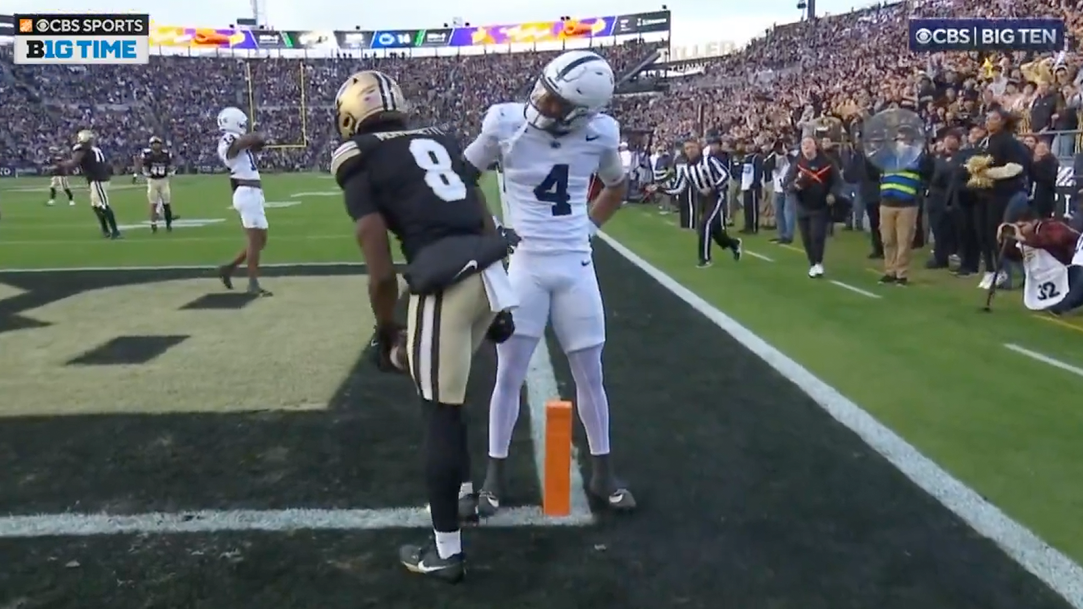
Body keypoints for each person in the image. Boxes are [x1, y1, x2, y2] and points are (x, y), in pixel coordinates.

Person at [331, 70, 517, 582]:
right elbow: (478, 206)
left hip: (444, 277)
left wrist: (386, 325)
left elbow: (373, 244)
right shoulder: (440, 137)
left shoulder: (355, 154)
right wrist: (498, 302)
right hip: (487, 266)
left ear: (350, 114)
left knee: (436, 409)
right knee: (450, 397)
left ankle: (446, 552)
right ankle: (462, 494)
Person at [462, 50, 637, 521]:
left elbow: (617, 186)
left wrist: (590, 229)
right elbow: (463, 175)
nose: (544, 103)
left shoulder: (601, 132)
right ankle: (494, 477)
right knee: (508, 374)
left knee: (590, 376)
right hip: (524, 263)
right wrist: (489, 229)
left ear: (583, 112)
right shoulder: (504, 123)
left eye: (558, 102)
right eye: (546, 90)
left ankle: (604, 474)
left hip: (576, 264)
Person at [649, 138, 742, 267]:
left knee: (704, 224)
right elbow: (678, 189)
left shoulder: (709, 161)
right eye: (687, 148)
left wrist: (713, 187)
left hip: (716, 195)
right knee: (715, 232)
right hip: (702, 199)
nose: (690, 150)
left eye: (692, 147)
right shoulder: (686, 169)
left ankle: (704, 259)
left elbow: (725, 175)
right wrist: (659, 189)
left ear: (698, 148)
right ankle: (733, 244)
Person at [215, 107, 271, 296]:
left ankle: (228, 269)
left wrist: (258, 140)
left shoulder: (235, 139)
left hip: (253, 192)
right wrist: (256, 136)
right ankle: (253, 284)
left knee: (261, 241)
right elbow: (235, 148)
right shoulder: (227, 139)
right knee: (255, 241)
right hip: (246, 192)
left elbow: (254, 145)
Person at [874, 128, 933, 286]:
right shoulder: (888, 157)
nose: (901, 143)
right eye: (898, 139)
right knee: (887, 239)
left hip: (907, 203)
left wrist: (920, 190)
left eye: (904, 139)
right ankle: (889, 271)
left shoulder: (918, 157)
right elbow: (872, 169)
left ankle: (901, 273)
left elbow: (928, 173)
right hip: (887, 201)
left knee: (904, 240)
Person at [1000, 213, 1083, 315]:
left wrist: (1023, 239)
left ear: (1034, 221)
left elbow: (1054, 240)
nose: (1020, 230)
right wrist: (1005, 241)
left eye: (1022, 226)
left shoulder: (1051, 227)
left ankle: (1066, 304)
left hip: (1072, 267)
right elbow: (1015, 256)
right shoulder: (1031, 237)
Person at [785, 137, 840, 278]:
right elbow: (787, 182)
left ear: (816, 145)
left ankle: (818, 262)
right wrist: (795, 186)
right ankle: (812, 263)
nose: (806, 146)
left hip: (820, 206)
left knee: (817, 235)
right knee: (806, 238)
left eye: (809, 143)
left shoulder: (827, 162)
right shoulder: (798, 163)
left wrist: (833, 194)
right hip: (802, 205)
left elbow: (837, 181)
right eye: (803, 144)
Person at [62, 130, 120, 239]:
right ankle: (105, 230)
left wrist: (61, 164)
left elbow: (74, 163)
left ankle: (115, 232)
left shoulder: (82, 150)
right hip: (99, 178)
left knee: (103, 205)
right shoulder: (94, 149)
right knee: (95, 205)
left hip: (98, 179)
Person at [141, 136, 176, 233]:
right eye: (154, 144)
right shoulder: (148, 155)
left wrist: (171, 171)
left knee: (166, 203)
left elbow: (170, 166)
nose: (156, 146)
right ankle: (153, 224)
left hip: (164, 180)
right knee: (153, 204)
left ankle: (168, 224)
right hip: (152, 181)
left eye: (157, 144)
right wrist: (146, 173)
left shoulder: (165, 154)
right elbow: (144, 167)